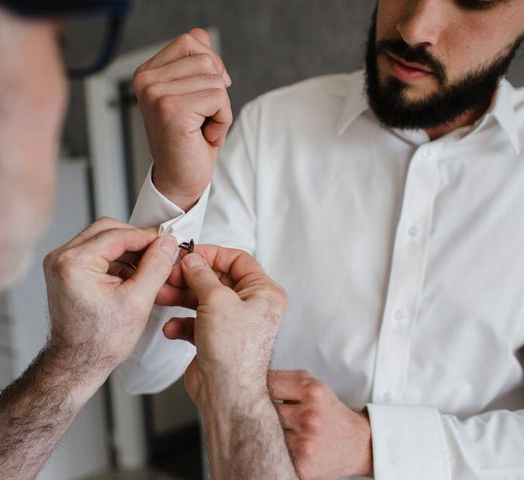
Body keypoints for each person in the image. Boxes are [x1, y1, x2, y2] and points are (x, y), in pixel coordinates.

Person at [0, 1, 298, 479]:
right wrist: (242, 394)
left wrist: (75, 361)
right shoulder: (272, 124)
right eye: (58, 45)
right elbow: (148, 372)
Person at [119, 1, 524, 479]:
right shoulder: (273, 127)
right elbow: (145, 369)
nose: (415, 28)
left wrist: (378, 448)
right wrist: (176, 189)